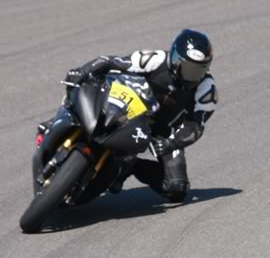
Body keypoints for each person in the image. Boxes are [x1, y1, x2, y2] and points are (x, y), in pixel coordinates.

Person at [44, 28, 217, 203]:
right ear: (174, 57)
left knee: (176, 188)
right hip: (133, 107)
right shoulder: (155, 59)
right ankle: (59, 121)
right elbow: (111, 62)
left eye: (198, 71)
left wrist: (170, 143)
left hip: (165, 131)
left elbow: (195, 127)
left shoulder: (206, 89)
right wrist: (82, 71)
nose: (191, 76)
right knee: (88, 90)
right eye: (187, 68)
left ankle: (129, 166)